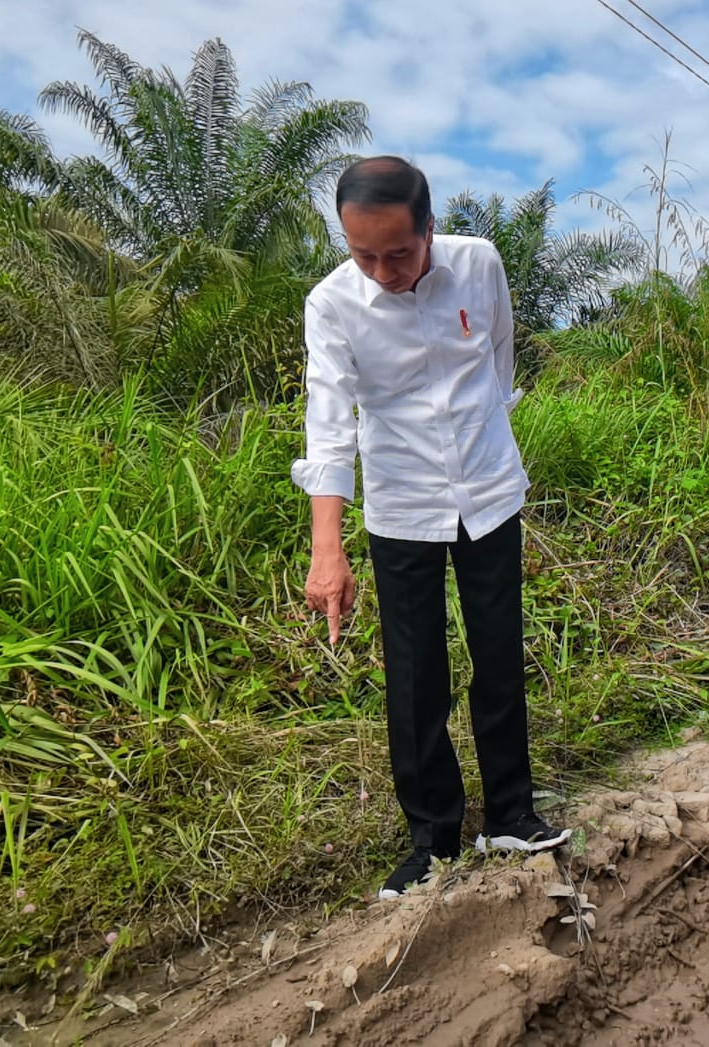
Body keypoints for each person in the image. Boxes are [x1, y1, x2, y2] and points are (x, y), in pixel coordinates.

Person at [290, 156, 569, 900]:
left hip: (488, 489)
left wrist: (487, 440)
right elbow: (329, 426)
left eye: (399, 252)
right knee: (416, 679)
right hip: (402, 502)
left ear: (431, 230)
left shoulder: (479, 266)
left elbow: (500, 359)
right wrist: (328, 550)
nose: (382, 269)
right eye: (363, 254)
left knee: (498, 651)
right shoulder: (333, 305)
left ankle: (510, 812)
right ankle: (434, 838)